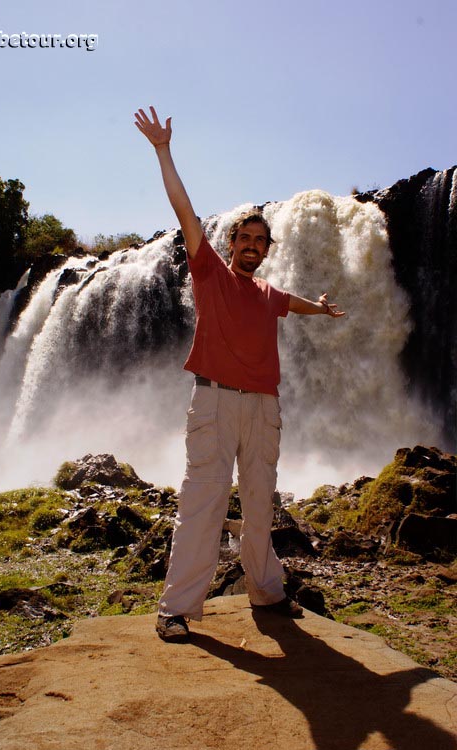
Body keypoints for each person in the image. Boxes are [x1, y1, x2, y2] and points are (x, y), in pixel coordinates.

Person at [134, 106, 345, 643]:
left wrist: (320, 309)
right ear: (231, 244)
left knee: (259, 505)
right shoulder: (209, 272)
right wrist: (163, 150)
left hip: (263, 408)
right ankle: (177, 608)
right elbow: (184, 210)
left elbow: (290, 303)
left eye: (260, 241)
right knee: (202, 504)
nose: (252, 245)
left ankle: (266, 593)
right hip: (215, 403)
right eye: (244, 238)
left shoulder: (267, 293)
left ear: (267, 250)